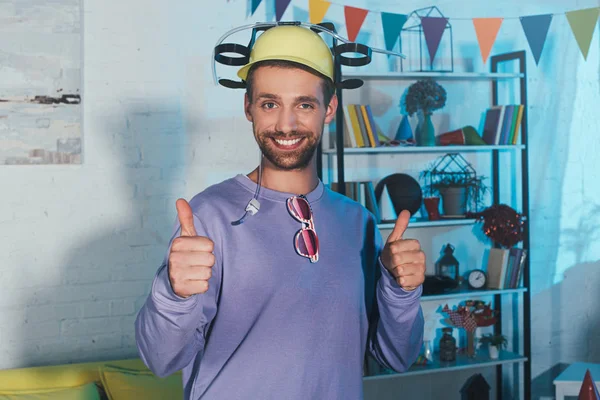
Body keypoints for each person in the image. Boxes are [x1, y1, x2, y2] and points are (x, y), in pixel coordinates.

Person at [135, 25, 425, 400]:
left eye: (304, 104)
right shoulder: (209, 216)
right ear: (248, 108)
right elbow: (160, 360)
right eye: (270, 104)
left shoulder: (358, 222)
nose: (286, 125)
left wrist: (402, 292)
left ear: (330, 109)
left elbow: (397, 356)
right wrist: (174, 295)